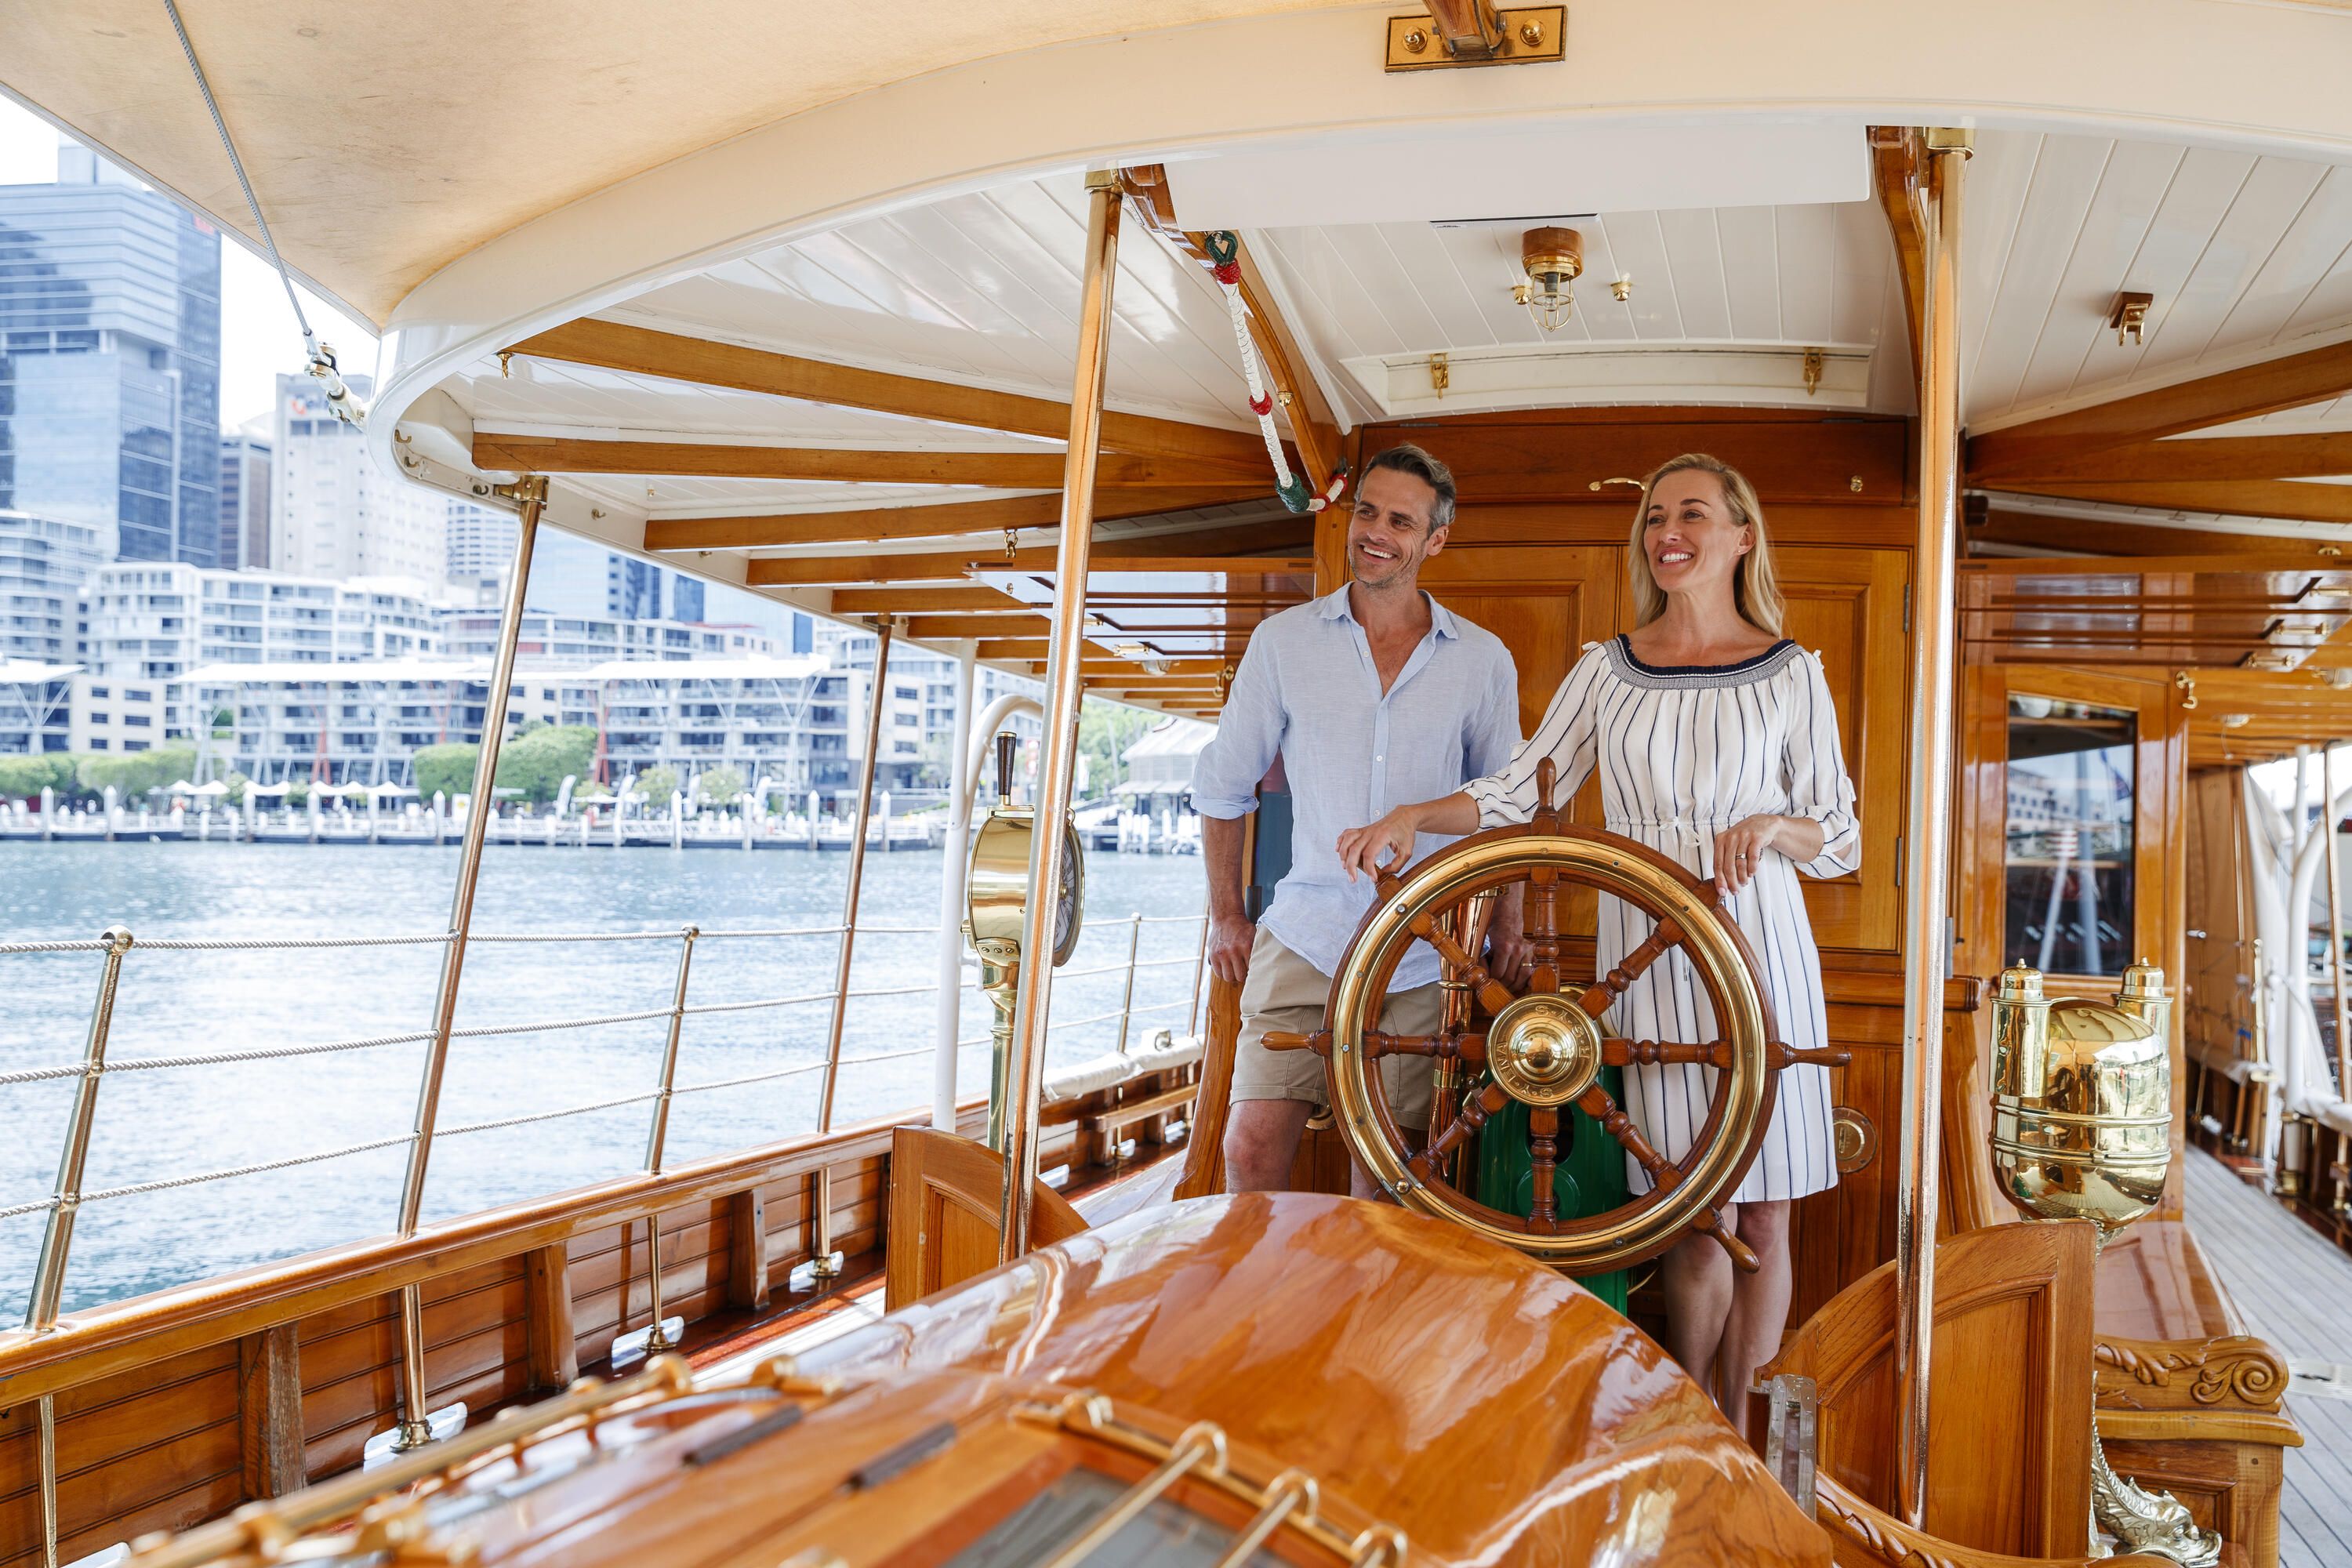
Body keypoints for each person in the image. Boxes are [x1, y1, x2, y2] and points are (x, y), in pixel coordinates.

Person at [1335, 452, 1857, 1407]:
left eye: (1693, 514)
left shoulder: (1792, 673)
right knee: (1693, 1210)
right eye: (1657, 515)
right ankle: (1688, 1410)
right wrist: (1413, 813)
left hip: (1763, 942)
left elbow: (1842, 831)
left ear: (1741, 537)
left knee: (1770, 1214)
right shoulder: (1604, 671)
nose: (1670, 531)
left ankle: (1740, 1420)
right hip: (1647, 961)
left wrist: (1775, 826)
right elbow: (1517, 789)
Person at [1192, 443, 1526, 1196]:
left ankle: (1366, 1317)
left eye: (1399, 520)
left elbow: (1507, 803)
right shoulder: (1282, 643)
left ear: (1435, 540)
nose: (1375, 531)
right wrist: (1225, 917)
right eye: (1366, 511)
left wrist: (1507, 924)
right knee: (1247, 1149)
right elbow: (1222, 785)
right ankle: (1263, 1316)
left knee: (1385, 1178)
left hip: (1422, 947)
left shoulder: (1483, 659)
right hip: (1303, 934)